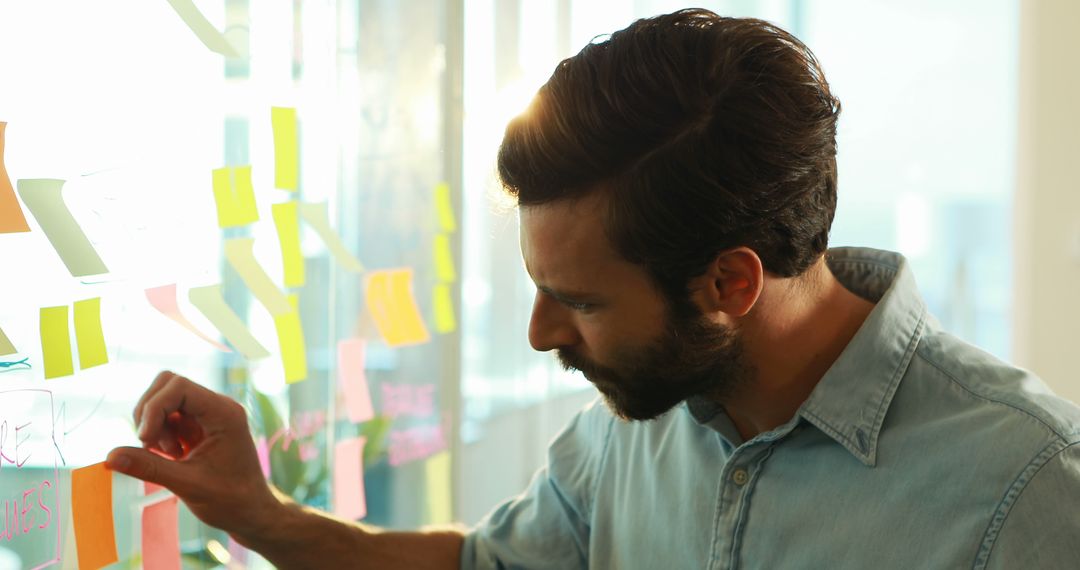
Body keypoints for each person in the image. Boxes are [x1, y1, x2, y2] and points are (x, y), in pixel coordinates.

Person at [107, 9, 1080, 569]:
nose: (538, 334)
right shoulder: (638, 414)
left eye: (579, 301)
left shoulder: (1031, 494)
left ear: (730, 282)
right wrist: (257, 511)